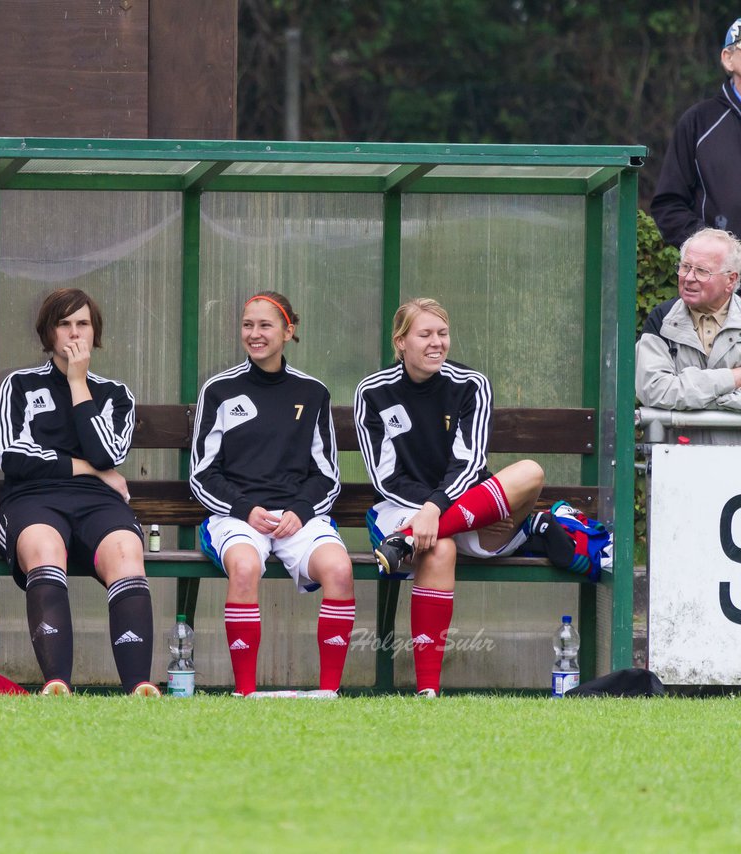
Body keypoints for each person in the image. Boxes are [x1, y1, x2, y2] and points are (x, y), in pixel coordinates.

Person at [354, 298, 578, 697]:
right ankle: (428, 692)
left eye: (443, 333)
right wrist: (425, 511)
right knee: (439, 549)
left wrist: (434, 510)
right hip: (404, 508)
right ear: (401, 341)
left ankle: (412, 539)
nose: (437, 343)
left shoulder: (470, 384)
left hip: (457, 506)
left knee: (531, 472)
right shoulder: (373, 392)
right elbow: (385, 476)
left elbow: (470, 463)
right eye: (425, 335)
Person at [0, 287, 159, 697]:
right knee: (45, 548)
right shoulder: (19, 385)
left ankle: (138, 686)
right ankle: (57, 683)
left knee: (125, 549)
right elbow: (14, 457)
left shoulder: (114, 395)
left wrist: (79, 383)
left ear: (94, 331)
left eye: (82, 324)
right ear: (47, 332)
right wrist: (88, 468)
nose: (73, 334)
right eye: (63, 324)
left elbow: (108, 452)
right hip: (33, 499)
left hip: (97, 504)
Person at [190, 292, 354, 697]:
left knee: (339, 569)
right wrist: (246, 509)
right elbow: (201, 474)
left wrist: (300, 511)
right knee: (244, 568)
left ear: (288, 331)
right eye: (248, 325)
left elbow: (327, 475)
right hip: (238, 516)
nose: (255, 334)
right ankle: (245, 693)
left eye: (265, 325)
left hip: (298, 518)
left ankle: (328, 694)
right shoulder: (219, 390)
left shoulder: (313, 392)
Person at [636, 227, 741, 445]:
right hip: (677, 466)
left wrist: (688, 394)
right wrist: (733, 379)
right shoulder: (661, 320)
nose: (689, 278)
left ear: (730, 280)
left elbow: (672, 393)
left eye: (702, 271)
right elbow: (656, 392)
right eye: (685, 267)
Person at [652, 19, 741, 250]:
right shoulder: (699, 122)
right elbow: (668, 205)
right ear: (727, 58)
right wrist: (713, 249)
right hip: (720, 278)